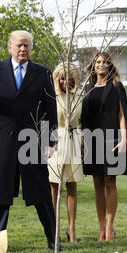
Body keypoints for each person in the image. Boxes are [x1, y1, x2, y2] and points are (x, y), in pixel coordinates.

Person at [0, 30, 62, 251]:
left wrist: (51, 141)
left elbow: (50, 111)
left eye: (27, 46)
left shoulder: (43, 74)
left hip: (31, 139)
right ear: (10, 47)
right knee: (0, 193)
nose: (23, 49)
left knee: (41, 192)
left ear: (31, 48)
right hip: (1, 141)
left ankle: (54, 240)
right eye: (19, 45)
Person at [81, 51, 127, 242]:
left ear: (110, 66)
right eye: (98, 62)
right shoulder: (88, 88)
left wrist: (124, 139)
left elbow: (123, 115)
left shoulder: (116, 86)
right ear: (93, 65)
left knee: (109, 182)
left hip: (112, 138)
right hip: (92, 139)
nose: (101, 65)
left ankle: (110, 226)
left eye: (105, 62)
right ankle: (101, 227)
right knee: (97, 183)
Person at [48, 62, 84, 243]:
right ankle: (54, 229)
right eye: (62, 78)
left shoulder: (80, 95)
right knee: (54, 186)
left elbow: (81, 122)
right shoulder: (51, 96)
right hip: (55, 141)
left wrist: (83, 142)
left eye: (69, 78)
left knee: (72, 186)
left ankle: (72, 229)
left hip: (75, 140)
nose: (65, 82)